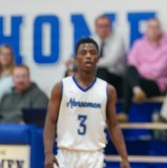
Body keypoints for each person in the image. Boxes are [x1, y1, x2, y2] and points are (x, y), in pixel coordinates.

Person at [44, 37, 130, 168]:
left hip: (94, 156)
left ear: (98, 58)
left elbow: (113, 125)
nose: (88, 56)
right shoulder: (61, 87)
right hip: (66, 155)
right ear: (76, 58)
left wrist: (124, 157)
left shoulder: (108, 90)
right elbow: (50, 122)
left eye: (92, 52)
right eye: (83, 53)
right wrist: (48, 153)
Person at [119, 18, 167, 121]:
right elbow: (131, 62)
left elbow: (159, 69)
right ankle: (137, 89)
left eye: (156, 27)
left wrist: (141, 68)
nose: (153, 30)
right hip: (140, 80)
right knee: (130, 70)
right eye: (151, 27)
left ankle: (125, 112)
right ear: (146, 30)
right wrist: (145, 69)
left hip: (155, 84)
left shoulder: (166, 47)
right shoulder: (138, 44)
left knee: (128, 80)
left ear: (160, 30)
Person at [93, 14, 126, 96]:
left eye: (106, 26)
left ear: (111, 27)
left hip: (116, 78)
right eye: (101, 26)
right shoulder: (92, 40)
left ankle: (102, 104)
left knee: (101, 71)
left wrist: (89, 62)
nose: (104, 29)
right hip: (96, 76)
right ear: (96, 28)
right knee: (72, 71)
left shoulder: (118, 40)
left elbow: (111, 62)